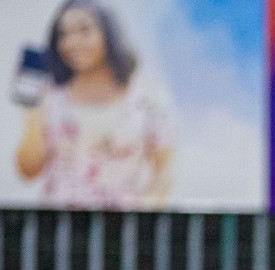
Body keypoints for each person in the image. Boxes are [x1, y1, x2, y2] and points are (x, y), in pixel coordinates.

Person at [15, 0, 175, 209]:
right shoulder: (51, 93)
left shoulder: (147, 94)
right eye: (63, 35)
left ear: (109, 34)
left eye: (84, 30)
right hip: (58, 229)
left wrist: (143, 212)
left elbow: (165, 169)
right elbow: (28, 171)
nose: (73, 42)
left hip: (120, 229)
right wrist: (33, 122)